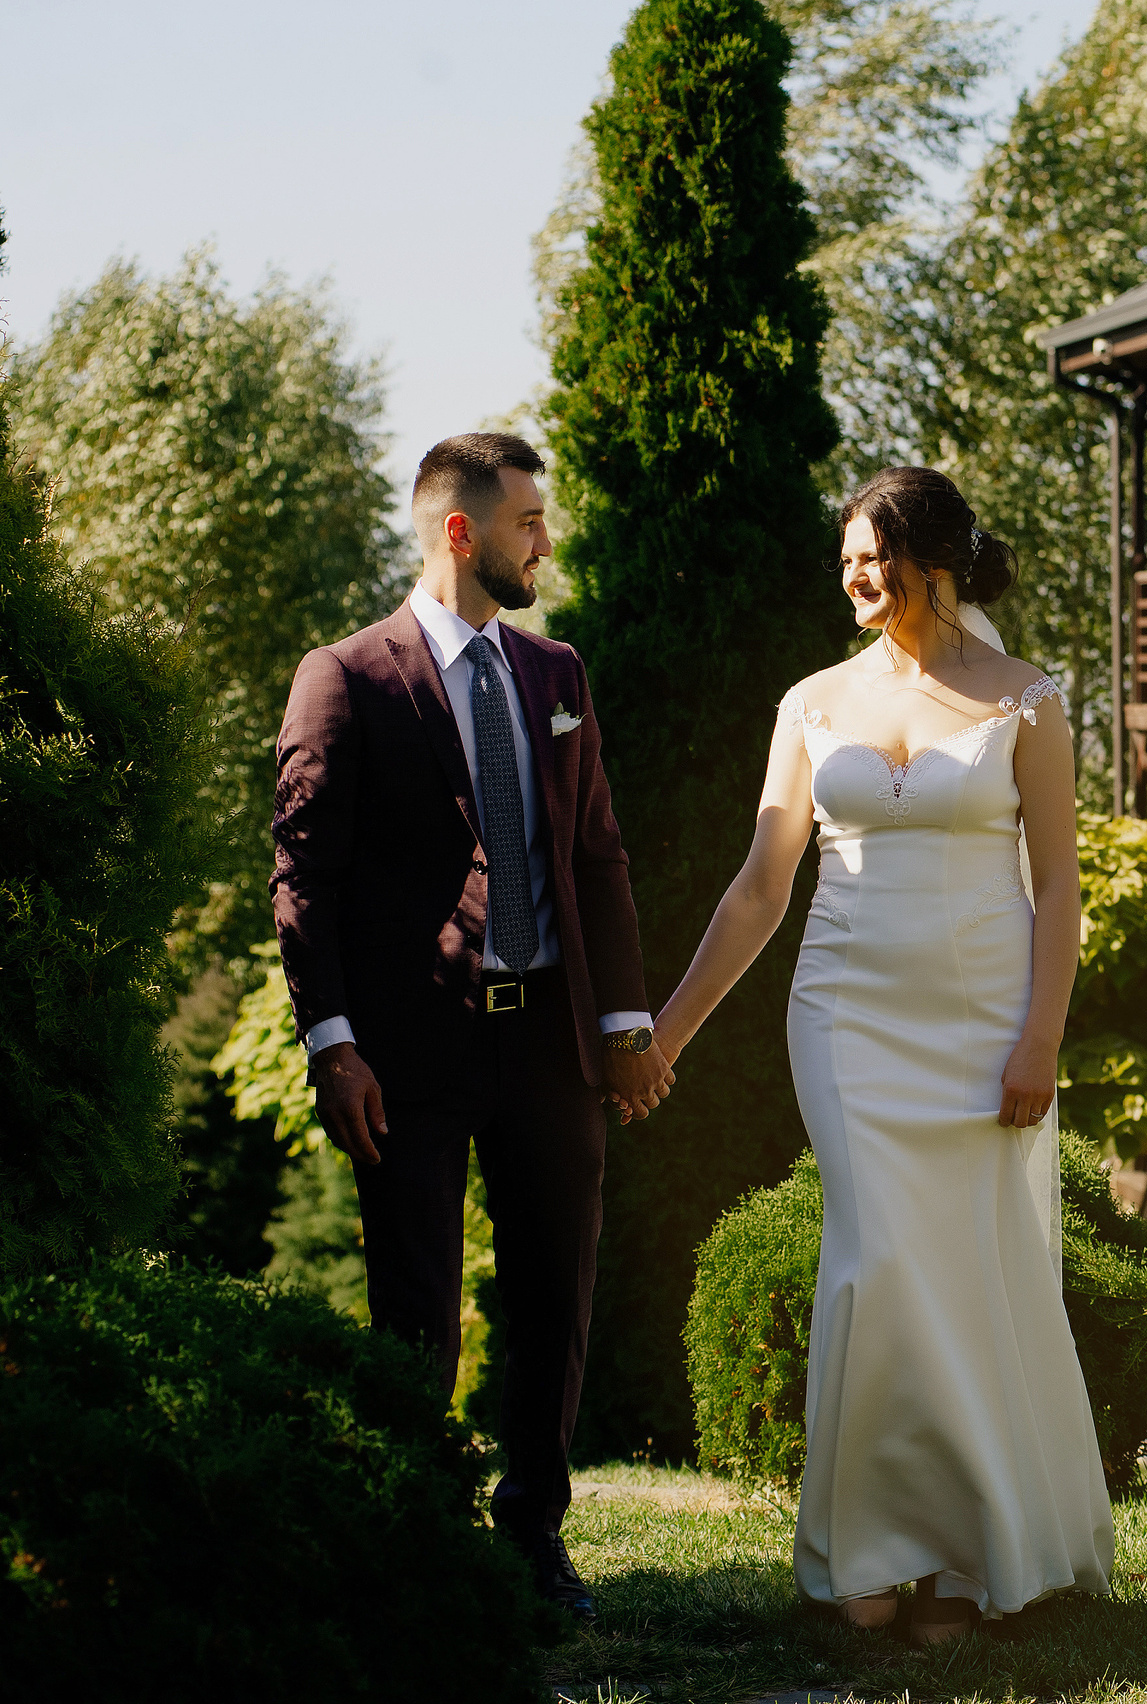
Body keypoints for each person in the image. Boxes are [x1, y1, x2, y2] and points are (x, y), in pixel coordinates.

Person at [653, 465, 1112, 1645]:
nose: (856, 575)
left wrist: (1041, 1040)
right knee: (872, 1261)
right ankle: (868, 1542)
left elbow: (1059, 886)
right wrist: (667, 1033)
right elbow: (762, 888)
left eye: (875, 554)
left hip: (985, 1022)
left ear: (936, 558)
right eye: (847, 557)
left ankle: (966, 1555)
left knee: (966, 1268)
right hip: (846, 1017)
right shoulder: (810, 704)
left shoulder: (1028, 701)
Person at [270, 432, 675, 1626]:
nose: (544, 540)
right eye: (528, 524)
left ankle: (535, 1540)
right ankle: (415, 1539)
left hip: (548, 1047)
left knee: (557, 1296)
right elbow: (304, 878)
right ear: (462, 532)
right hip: (409, 1057)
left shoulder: (556, 674)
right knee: (417, 1311)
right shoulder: (344, 676)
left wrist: (625, 1020)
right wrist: (331, 1043)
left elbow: (597, 856)